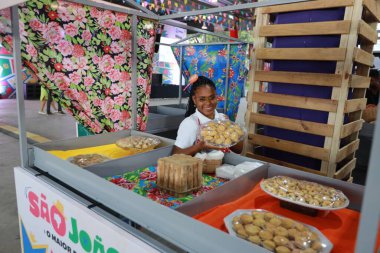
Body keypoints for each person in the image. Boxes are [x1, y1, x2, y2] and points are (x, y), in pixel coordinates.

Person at [172, 75, 243, 155]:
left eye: (212, 98)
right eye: (202, 99)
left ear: (216, 97)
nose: (208, 103)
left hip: (223, 166)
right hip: (202, 166)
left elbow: (239, 149)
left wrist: (229, 131)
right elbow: (175, 154)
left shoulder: (222, 118)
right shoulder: (190, 123)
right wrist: (201, 146)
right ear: (194, 99)